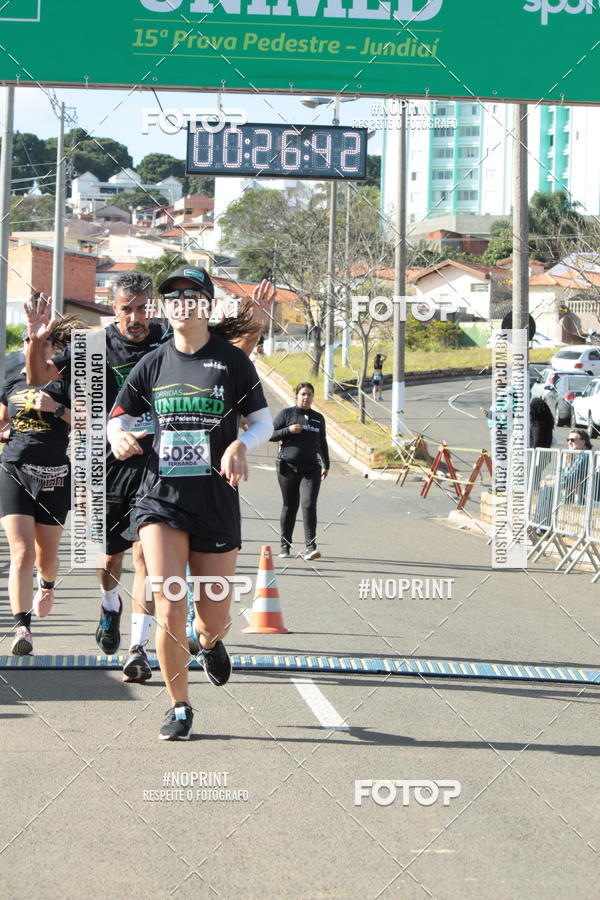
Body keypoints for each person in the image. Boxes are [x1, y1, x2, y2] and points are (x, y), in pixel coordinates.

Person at [107, 266, 273, 740]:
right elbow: (117, 419)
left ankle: (211, 641)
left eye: (191, 296)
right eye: (173, 297)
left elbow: (261, 421)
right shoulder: (154, 363)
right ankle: (179, 706)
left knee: (212, 614)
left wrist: (242, 445)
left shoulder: (231, 362)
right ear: (167, 309)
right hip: (162, 498)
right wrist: (118, 437)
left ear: (206, 305)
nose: (181, 304)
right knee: (169, 600)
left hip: (216, 500)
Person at [24, 274, 170, 682]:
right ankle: (110, 604)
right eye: (127, 309)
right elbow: (38, 379)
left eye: (142, 308)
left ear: (151, 306)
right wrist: (37, 341)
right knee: (108, 557)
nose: (136, 317)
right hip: (101, 461)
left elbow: (222, 359)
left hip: (157, 462)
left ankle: (137, 648)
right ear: (113, 306)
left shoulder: (167, 340)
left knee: (146, 554)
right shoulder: (91, 346)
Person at [0, 319, 79, 655]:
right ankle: (22, 626)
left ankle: (46, 584)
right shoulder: (11, 374)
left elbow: (91, 422)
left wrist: (56, 408)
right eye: (32, 341)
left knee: (46, 557)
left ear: (54, 347)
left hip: (54, 475)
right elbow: (2, 417)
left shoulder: (67, 376)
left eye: (45, 342)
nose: (38, 348)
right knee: (22, 551)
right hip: (14, 467)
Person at [270, 382, 329, 561]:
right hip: (287, 468)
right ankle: (284, 546)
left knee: (309, 504)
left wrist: (326, 464)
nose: (306, 397)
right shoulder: (287, 414)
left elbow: (323, 442)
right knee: (290, 506)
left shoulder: (318, 418)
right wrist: (288, 430)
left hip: (311, 469)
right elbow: (270, 434)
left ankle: (310, 547)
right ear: (296, 396)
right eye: (303, 394)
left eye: (310, 394)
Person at [534, 428, 592, 529]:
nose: (569, 442)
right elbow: (565, 474)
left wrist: (551, 482)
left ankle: (541, 526)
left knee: (548, 487)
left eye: (573, 440)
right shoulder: (576, 455)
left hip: (583, 497)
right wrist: (551, 479)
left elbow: (568, 478)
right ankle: (538, 524)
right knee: (547, 487)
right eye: (568, 440)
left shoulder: (584, 456)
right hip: (571, 494)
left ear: (583, 442)